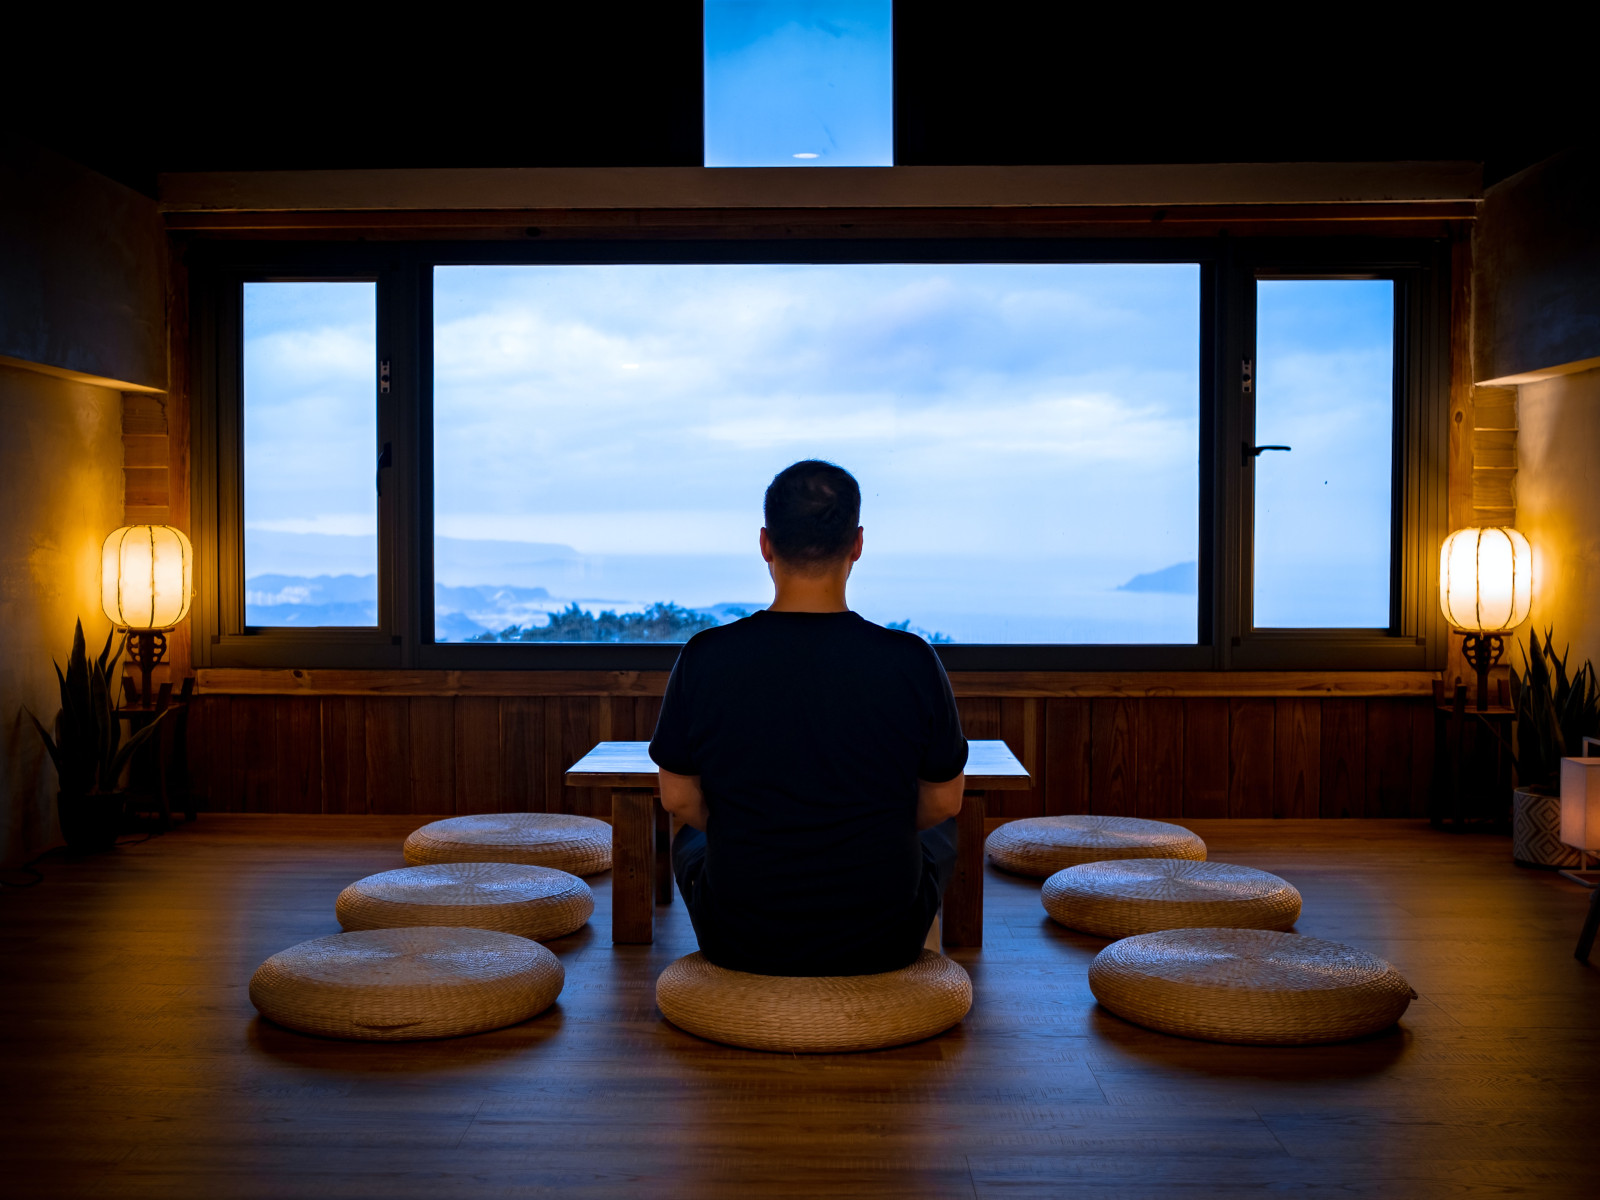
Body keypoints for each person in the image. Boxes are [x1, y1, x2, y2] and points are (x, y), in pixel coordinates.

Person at [649, 460, 968, 976]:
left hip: (741, 937)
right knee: (937, 834)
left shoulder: (705, 656)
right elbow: (943, 800)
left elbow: (679, 798)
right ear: (858, 544)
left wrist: (746, 826)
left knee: (691, 835)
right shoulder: (911, 660)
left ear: (765, 544)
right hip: (883, 938)